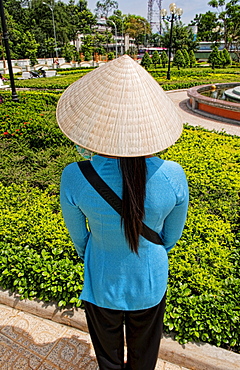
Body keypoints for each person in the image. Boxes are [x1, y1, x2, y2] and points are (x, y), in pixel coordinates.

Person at [57, 55, 189, 370]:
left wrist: (102, 248)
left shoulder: (75, 176)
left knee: (108, 358)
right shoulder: (173, 175)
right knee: (144, 359)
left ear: (98, 122)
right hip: (150, 280)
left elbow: (79, 238)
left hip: (102, 279)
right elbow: (170, 237)